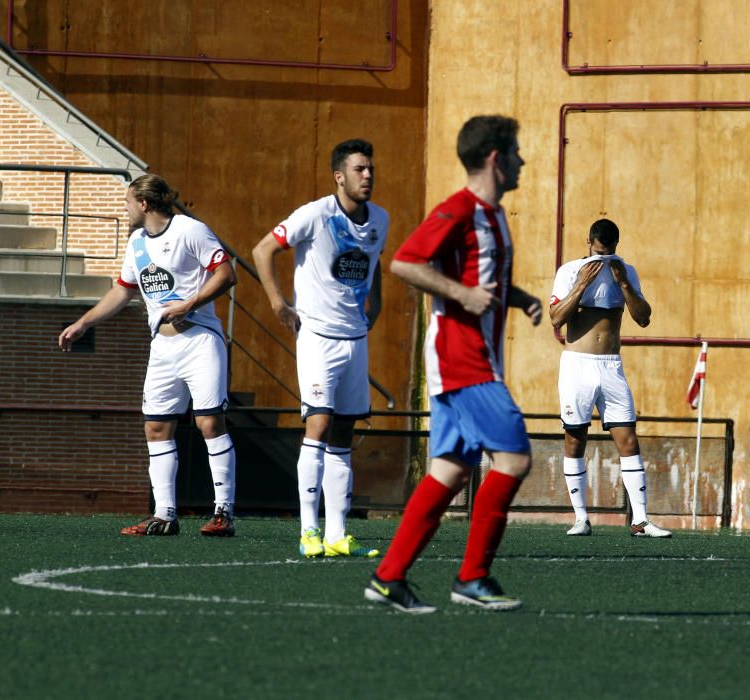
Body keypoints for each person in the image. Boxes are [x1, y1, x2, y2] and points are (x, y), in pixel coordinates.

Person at [364, 115, 542, 614]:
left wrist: (519, 297)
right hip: (462, 362)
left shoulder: (495, 215)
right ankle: (472, 577)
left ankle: (389, 577)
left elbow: (480, 278)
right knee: (513, 459)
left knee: (450, 469)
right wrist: (462, 293)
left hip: (477, 361)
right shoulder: (459, 209)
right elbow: (404, 262)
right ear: (495, 158)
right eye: (516, 152)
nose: (522, 161)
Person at [59, 174, 238, 537]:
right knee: (156, 427)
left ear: (144, 204)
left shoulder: (190, 230)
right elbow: (122, 292)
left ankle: (224, 513)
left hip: (201, 341)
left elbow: (226, 273)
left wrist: (190, 303)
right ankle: (164, 515)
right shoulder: (137, 243)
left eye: (127, 202)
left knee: (208, 424)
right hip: (162, 346)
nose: (124, 210)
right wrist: (84, 322)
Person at [252, 139, 388, 559]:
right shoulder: (315, 214)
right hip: (317, 338)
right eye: (359, 169)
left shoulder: (380, 218)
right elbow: (262, 250)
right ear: (339, 176)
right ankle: (308, 532)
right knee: (319, 425)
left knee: (345, 432)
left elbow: (374, 257)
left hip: (355, 339)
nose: (368, 176)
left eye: (370, 169)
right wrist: (277, 302)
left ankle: (337, 534)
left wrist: (377, 304)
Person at [549, 218, 672, 538]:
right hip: (577, 365)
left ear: (617, 246)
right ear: (588, 242)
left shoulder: (626, 271)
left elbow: (643, 319)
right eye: (599, 252)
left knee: (628, 439)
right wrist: (581, 284)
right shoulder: (569, 271)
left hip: (611, 366)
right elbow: (556, 319)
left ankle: (641, 520)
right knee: (575, 440)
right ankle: (580, 518)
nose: (604, 258)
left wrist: (624, 284)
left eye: (610, 252)